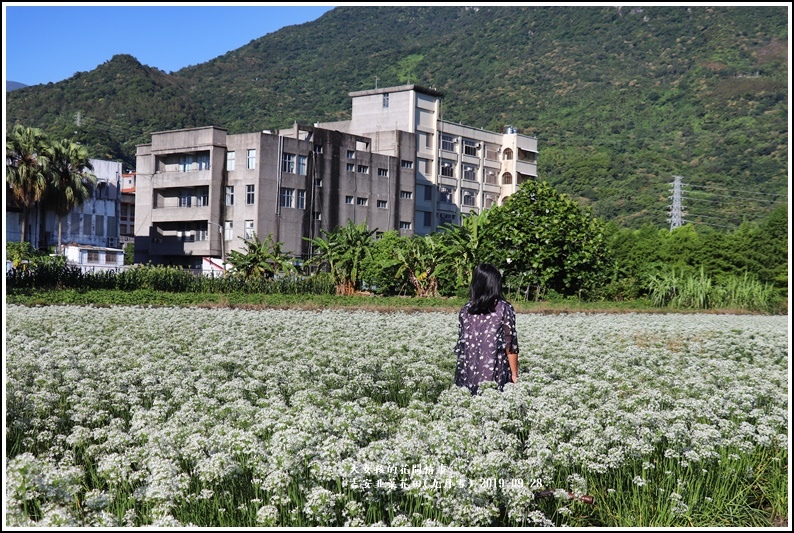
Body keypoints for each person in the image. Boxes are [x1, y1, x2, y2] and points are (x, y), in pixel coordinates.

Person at [454, 263, 519, 395]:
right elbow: (510, 345)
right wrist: (514, 374)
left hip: (467, 374)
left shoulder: (465, 310)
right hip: (495, 375)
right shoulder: (504, 309)